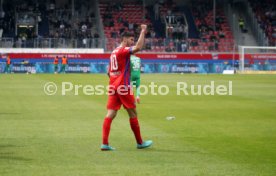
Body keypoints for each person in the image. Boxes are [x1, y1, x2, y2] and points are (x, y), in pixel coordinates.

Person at [101, 24, 152, 151]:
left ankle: (104, 143)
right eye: (131, 40)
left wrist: (115, 81)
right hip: (123, 87)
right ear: (124, 40)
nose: (132, 42)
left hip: (113, 86)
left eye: (133, 40)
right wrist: (143, 31)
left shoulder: (113, 52)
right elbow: (139, 47)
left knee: (111, 113)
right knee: (133, 113)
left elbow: (108, 72)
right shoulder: (123, 51)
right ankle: (140, 142)